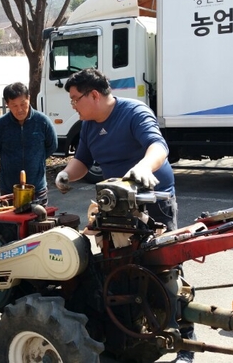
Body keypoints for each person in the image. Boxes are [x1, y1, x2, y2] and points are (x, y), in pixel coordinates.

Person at [54, 68, 193, 363]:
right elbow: (82, 161)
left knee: (166, 270)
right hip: (115, 207)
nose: (74, 106)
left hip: (152, 200)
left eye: (75, 99)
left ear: (94, 95)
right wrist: (67, 174)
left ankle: (185, 343)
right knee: (119, 269)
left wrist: (144, 167)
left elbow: (159, 147)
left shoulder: (133, 112)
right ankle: (131, 335)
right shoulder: (89, 125)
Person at [0, 82, 57, 205]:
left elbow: (52, 146)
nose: (20, 109)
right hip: (9, 189)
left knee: (38, 222)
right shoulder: (0, 125)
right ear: (7, 104)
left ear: (29, 99)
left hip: (37, 187)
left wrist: (37, 159)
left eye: (23, 104)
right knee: (10, 223)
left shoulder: (42, 122)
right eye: (14, 105)